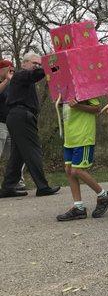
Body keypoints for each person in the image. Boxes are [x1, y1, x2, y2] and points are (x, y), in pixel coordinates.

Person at [0, 53, 59, 198]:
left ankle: (8, 187)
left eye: (39, 64)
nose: (37, 66)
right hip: (21, 115)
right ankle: (43, 186)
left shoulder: (24, 79)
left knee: (17, 155)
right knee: (34, 150)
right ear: (25, 63)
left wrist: (55, 68)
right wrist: (53, 64)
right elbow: (39, 73)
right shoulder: (22, 74)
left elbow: (40, 74)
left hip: (17, 117)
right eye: (35, 63)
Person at [56, 97, 108, 221]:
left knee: (77, 170)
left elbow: (97, 109)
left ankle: (104, 195)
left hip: (83, 135)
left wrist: (77, 106)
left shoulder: (85, 87)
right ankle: (79, 208)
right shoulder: (64, 88)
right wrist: (61, 103)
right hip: (70, 136)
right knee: (68, 169)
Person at [0, 60, 25, 191]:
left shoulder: (15, 83)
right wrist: (7, 80)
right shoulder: (4, 83)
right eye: (8, 68)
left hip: (14, 125)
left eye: (12, 68)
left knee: (16, 155)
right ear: (2, 70)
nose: (11, 70)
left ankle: (17, 182)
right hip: (1, 125)